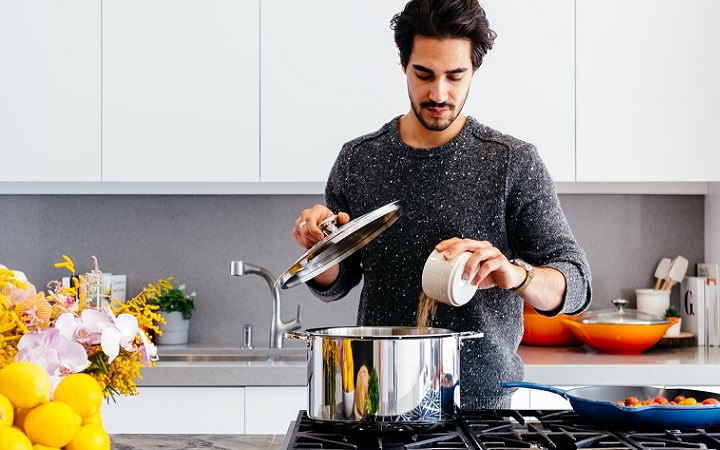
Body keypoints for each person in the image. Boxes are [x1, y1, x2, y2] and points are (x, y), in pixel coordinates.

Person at [292, 0, 591, 409]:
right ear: (403, 64)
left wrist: (512, 273)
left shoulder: (512, 161)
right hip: (379, 401)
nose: (439, 93)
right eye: (424, 74)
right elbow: (339, 282)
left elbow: (573, 284)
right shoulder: (359, 160)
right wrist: (319, 248)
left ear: (475, 69)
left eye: (455, 76)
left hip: (483, 409)